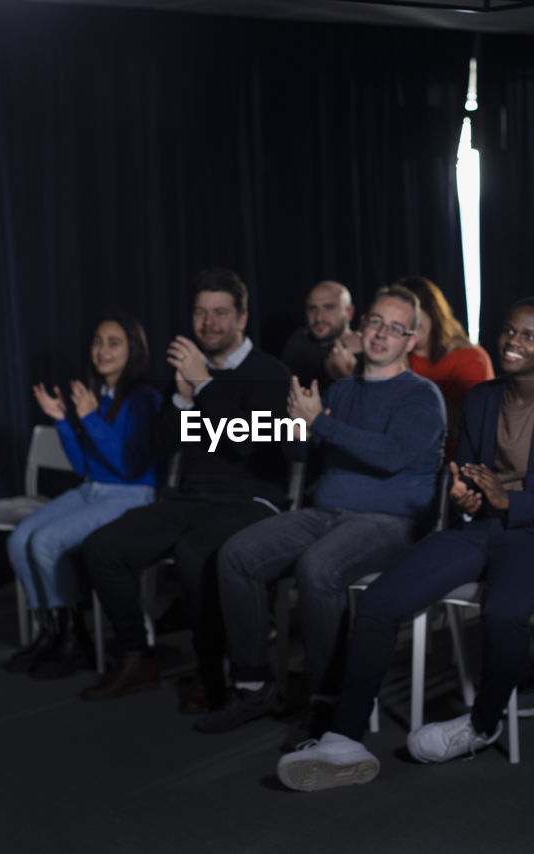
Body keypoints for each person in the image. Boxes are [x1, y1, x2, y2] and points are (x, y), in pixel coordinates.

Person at [276, 298, 534, 791]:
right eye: (509, 331)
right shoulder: (480, 399)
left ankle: (482, 723)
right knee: (379, 600)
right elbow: (473, 482)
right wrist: (467, 498)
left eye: (529, 336)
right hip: (483, 529)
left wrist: (509, 503)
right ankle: (343, 737)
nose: (514, 343)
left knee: (502, 611)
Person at [197, 285, 445, 745]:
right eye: (376, 322)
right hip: (328, 512)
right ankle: (254, 685)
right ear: (361, 324)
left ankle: (324, 701)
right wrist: (298, 423)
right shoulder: (342, 389)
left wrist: (321, 423)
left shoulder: (421, 396)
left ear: (410, 341)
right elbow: (298, 452)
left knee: (318, 568)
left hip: (392, 523)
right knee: (236, 554)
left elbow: (391, 455)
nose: (381, 335)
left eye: (395, 329)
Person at [78, 268, 291, 713]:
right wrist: (181, 400)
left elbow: (244, 443)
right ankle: (139, 656)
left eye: (220, 313)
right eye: (200, 312)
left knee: (197, 555)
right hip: (188, 499)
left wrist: (206, 387)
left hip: (250, 502)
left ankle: (209, 669)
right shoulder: (190, 375)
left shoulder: (270, 372)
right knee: (101, 547)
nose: (208, 323)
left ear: (242, 318)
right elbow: (160, 447)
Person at [1, 312, 161, 678]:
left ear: (133, 350)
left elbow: (131, 466)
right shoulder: (98, 396)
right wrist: (62, 419)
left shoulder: (144, 400)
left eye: (113, 343)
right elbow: (86, 467)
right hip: (93, 488)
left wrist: (88, 419)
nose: (101, 350)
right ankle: (56, 632)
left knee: (45, 541)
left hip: (132, 494)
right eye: (97, 342)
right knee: (20, 538)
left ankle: (76, 641)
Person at [400, 275, 494, 460]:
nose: (408, 322)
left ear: (432, 311)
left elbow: (476, 428)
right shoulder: (398, 355)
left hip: (453, 464)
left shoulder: (470, 358)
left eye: (414, 312)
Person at [280, 280, 361, 391]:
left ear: (349, 312)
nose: (319, 318)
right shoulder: (299, 341)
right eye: (312, 309)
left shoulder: (369, 349)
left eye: (329, 307)